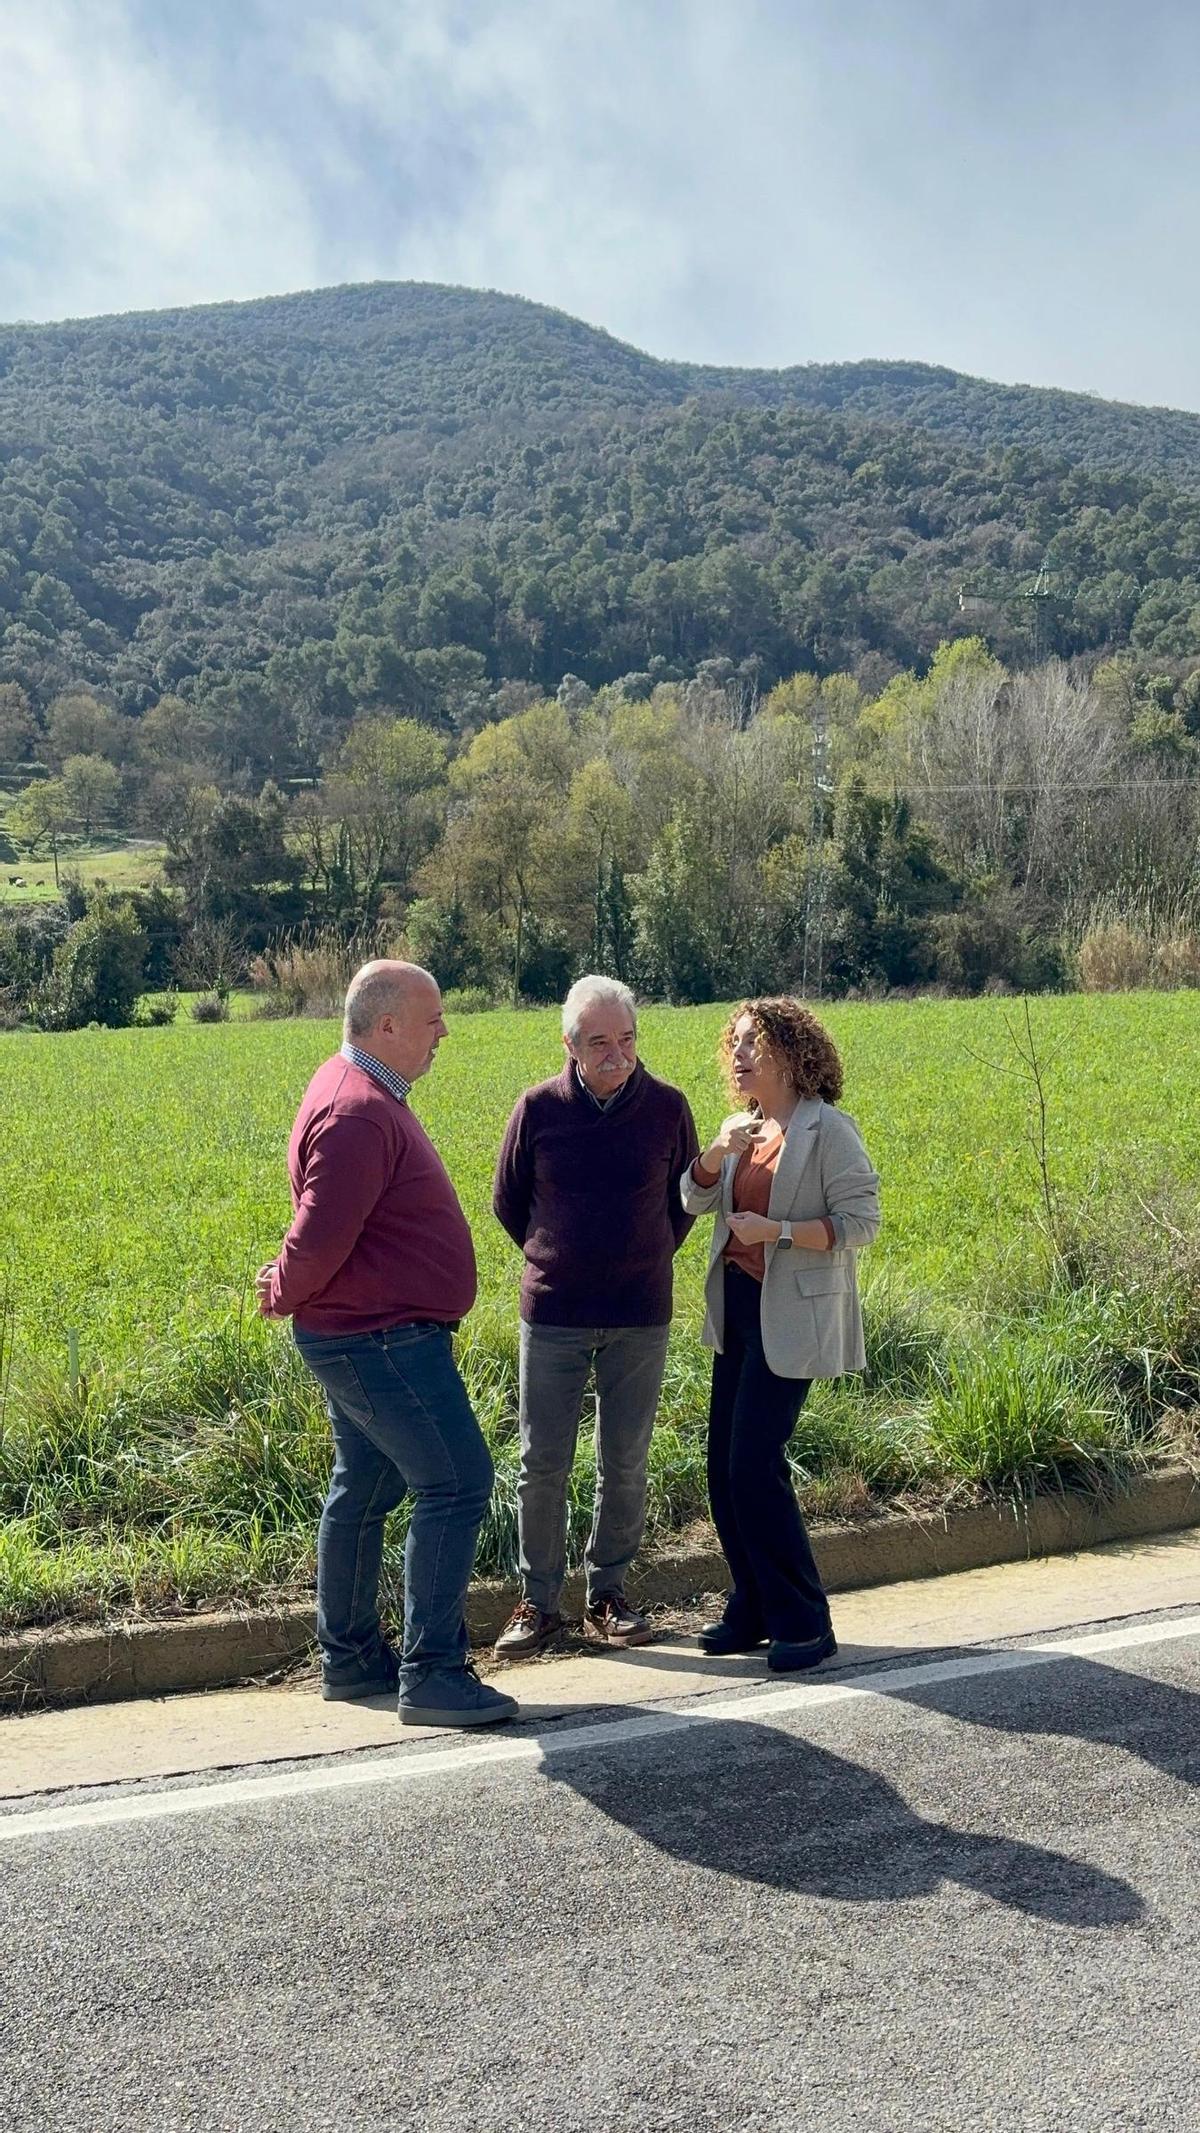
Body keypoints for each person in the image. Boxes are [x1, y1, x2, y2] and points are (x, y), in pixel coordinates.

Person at [256, 960, 516, 1731]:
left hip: (366, 1331)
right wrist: (282, 1287)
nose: (444, 1032)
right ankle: (432, 1672)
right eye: (432, 1019)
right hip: (380, 1338)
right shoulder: (360, 1111)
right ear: (388, 1025)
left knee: (365, 1487)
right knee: (457, 1481)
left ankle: (350, 1658)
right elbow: (320, 1230)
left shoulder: (355, 1087)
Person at [491, 975, 700, 1656]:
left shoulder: (668, 1107)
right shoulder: (537, 1108)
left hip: (640, 1312)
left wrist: (647, 1255)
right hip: (554, 1313)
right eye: (600, 1042)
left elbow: (684, 1202)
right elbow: (508, 1200)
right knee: (541, 1461)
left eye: (627, 1039)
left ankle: (609, 1593)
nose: (617, 1054)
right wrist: (556, 1258)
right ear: (570, 1044)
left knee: (626, 1460)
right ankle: (539, 1602)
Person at [681, 997, 880, 1673]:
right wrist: (714, 1153)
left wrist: (781, 1233)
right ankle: (754, 1604)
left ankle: (804, 1619)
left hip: (791, 1314)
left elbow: (860, 1222)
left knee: (752, 1466)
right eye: (733, 1044)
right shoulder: (747, 1127)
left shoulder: (829, 1131)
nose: (737, 1056)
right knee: (722, 1469)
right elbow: (692, 1197)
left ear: (793, 1055)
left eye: (751, 1045)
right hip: (736, 1308)